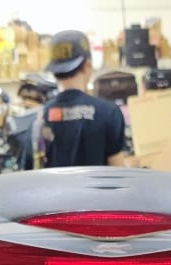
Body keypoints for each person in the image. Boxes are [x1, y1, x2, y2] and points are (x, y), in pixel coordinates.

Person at [37, 30, 127, 168]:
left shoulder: (39, 118)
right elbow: (119, 172)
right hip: (97, 183)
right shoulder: (109, 113)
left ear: (54, 72)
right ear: (87, 66)